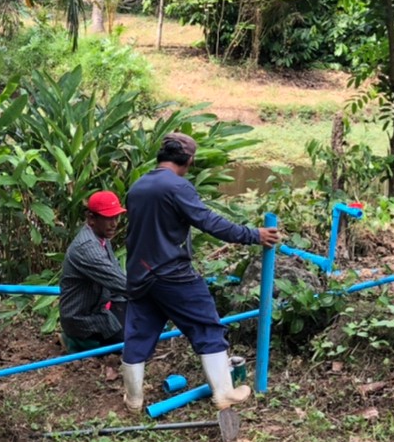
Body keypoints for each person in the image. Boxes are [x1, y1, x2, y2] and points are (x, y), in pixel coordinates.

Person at [121, 134, 280, 410]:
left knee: (139, 334)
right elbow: (208, 222)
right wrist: (253, 235)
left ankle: (133, 400)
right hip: (172, 274)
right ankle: (224, 393)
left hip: (139, 274)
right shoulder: (177, 186)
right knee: (207, 326)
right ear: (189, 160)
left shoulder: (137, 186)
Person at [59, 191, 129, 351]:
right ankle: (76, 342)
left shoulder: (101, 237)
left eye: (116, 218)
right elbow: (120, 283)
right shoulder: (87, 248)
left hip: (99, 306)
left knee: (140, 323)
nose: (114, 224)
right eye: (108, 218)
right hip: (82, 318)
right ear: (91, 218)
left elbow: (117, 275)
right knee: (132, 341)